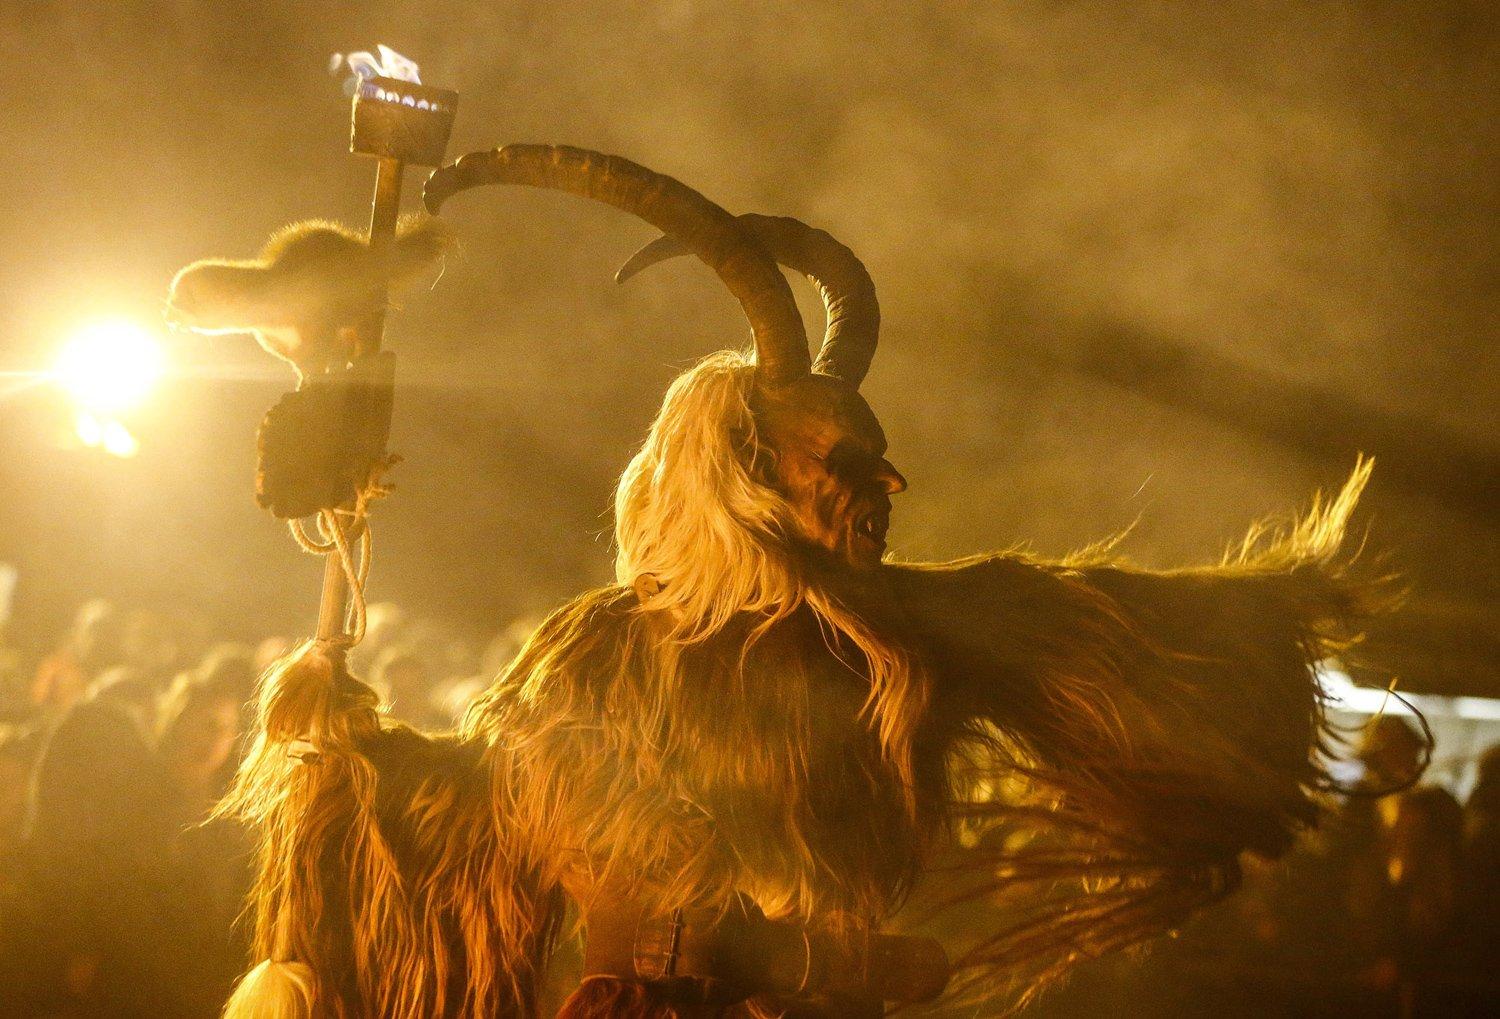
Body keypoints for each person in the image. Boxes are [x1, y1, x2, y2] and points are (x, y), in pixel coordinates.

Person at [216, 145, 1398, 1018]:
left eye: (877, 461)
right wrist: (345, 750)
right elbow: (485, 816)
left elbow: (1102, 624)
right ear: (743, 473)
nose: (887, 485)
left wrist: (1267, 632)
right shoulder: (600, 650)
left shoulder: (899, 628)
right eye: (842, 463)